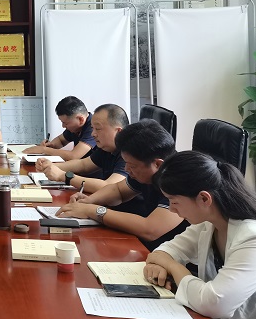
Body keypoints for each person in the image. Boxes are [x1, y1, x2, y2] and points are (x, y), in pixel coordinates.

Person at [144, 151, 256, 319]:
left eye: (174, 201)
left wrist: (172, 266)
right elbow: (165, 250)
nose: (171, 209)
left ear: (204, 199)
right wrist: (159, 263)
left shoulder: (254, 238)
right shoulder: (209, 223)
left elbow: (215, 303)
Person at [58, 119, 187, 250]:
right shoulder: (147, 169)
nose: (126, 169)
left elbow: (150, 229)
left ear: (157, 164)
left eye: (132, 165)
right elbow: (118, 190)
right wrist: (88, 201)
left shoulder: (180, 180)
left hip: (176, 255)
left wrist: (92, 210)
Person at [35, 104, 129, 194]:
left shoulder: (129, 152)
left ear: (118, 131)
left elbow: (110, 187)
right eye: (92, 128)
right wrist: (49, 166)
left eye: (98, 128)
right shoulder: (106, 149)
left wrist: (63, 176)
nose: (93, 134)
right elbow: (83, 165)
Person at [23, 96, 96, 160]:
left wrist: (44, 150)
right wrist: (50, 145)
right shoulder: (75, 128)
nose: (63, 126)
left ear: (80, 119)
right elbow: (61, 140)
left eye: (65, 123)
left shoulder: (93, 127)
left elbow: (73, 156)